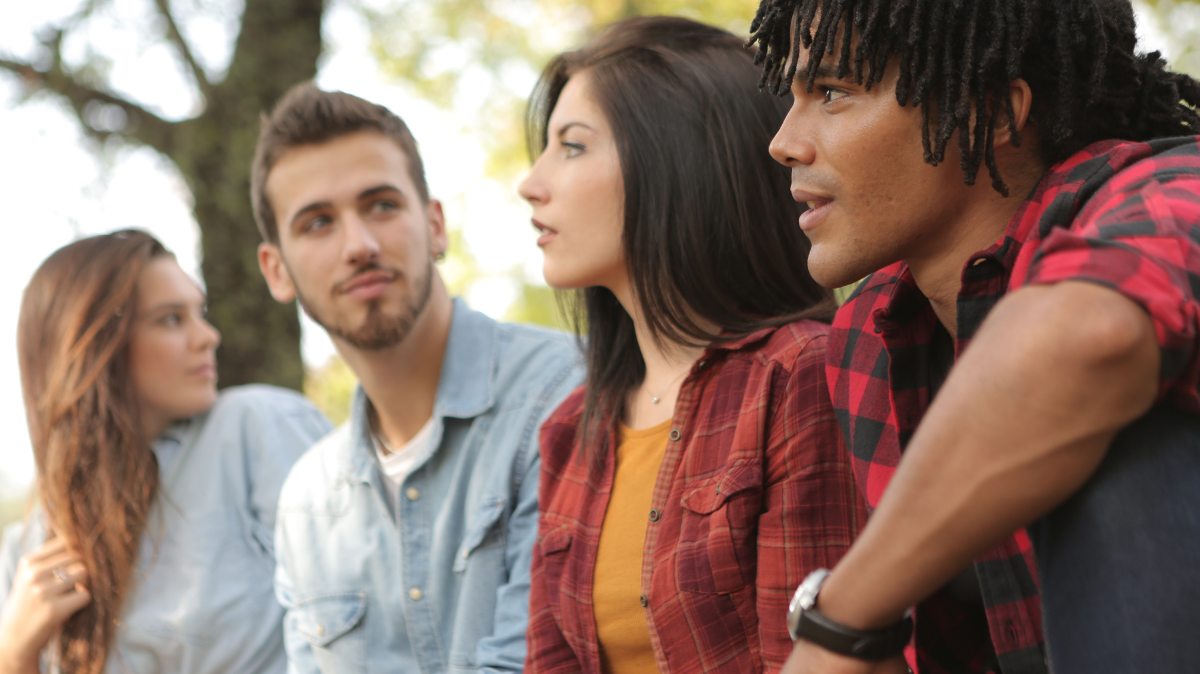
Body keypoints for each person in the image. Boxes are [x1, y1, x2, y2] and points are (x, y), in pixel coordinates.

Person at [745, 0, 1200, 673]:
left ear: (990, 112)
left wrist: (839, 622)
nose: (784, 141)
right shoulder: (865, 335)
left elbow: (1090, 338)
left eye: (833, 93)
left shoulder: (1172, 187)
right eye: (793, 97)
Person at [518, 16, 868, 674]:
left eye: (571, 146)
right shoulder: (572, 430)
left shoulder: (798, 376)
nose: (531, 182)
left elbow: (812, 657)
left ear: (676, 157)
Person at [252, 82, 584, 674]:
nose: (360, 245)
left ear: (435, 225)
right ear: (276, 271)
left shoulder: (563, 392)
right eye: (318, 223)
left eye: (381, 205)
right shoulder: (305, 505)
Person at [0, 230, 331, 674]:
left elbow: (359, 627)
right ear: (97, 347)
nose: (208, 336)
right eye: (171, 319)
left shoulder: (257, 428)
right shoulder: (31, 551)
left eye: (200, 312)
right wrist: (15, 654)